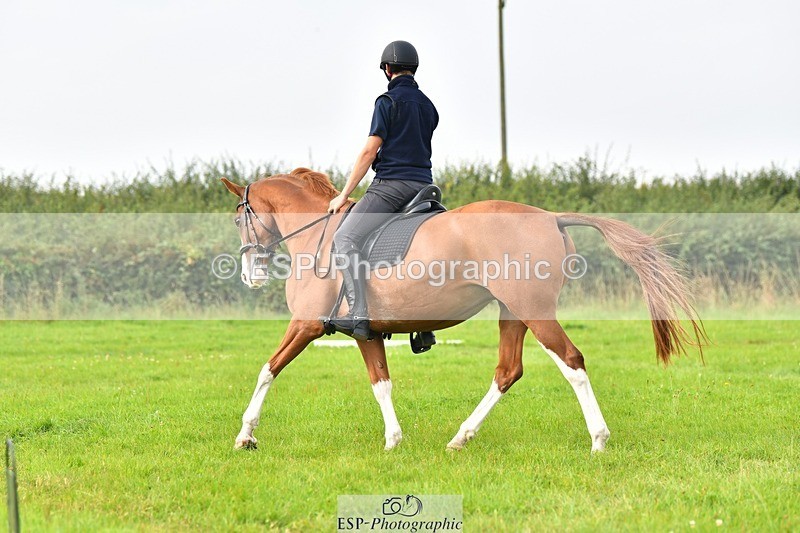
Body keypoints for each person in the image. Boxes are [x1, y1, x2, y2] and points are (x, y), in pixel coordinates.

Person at [324, 40, 439, 341]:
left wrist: (343, 193)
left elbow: (369, 151)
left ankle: (359, 316)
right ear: (413, 69)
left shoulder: (386, 102)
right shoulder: (429, 106)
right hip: (425, 187)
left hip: (392, 186)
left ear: (387, 70)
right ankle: (424, 325)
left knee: (345, 237)